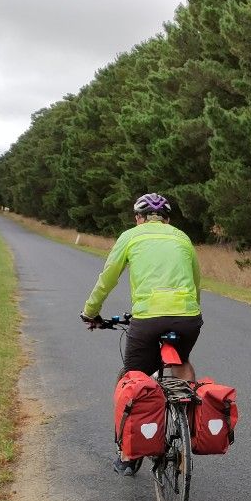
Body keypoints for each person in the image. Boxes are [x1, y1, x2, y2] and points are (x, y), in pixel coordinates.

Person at [80, 192, 203, 473]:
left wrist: (90, 311)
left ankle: (128, 453)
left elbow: (107, 278)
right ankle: (187, 432)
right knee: (182, 363)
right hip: (188, 316)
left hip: (148, 319)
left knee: (131, 377)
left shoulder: (131, 236)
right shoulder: (182, 237)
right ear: (167, 219)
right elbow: (196, 282)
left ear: (138, 218)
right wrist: (192, 312)